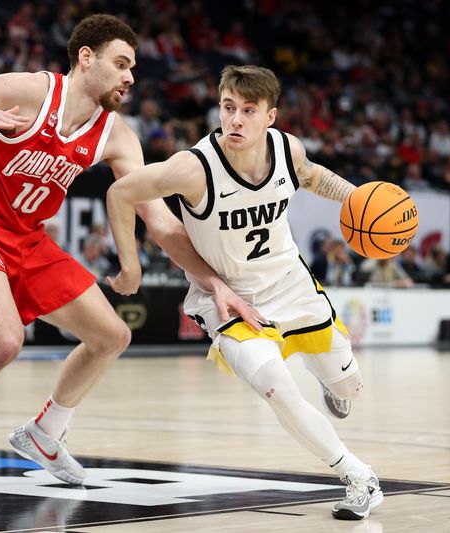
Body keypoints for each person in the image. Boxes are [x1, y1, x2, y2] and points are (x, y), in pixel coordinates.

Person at [0, 14, 261, 506]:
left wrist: (214, 282)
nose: (130, 77)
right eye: (121, 64)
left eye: (134, 68)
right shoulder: (28, 91)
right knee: (3, 342)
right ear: (86, 59)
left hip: (30, 241)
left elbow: (162, 222)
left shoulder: (116, 135)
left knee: (112, 335)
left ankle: (45, 432)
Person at [106, 65, 382, 520]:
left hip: (292, 285)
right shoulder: (192, 168)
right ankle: (357, 476)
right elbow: (120, 192)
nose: (235, 120)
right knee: (278, 388)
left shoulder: (287, 148)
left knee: (348, 384)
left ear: (270, 117)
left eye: (248, 111)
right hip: (230, 299)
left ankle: (336, 385)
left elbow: (311, 176)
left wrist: (360, 199)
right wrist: (129, 265)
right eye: (228, 108)